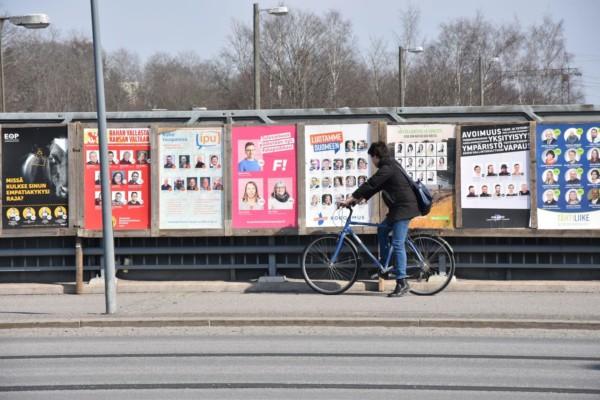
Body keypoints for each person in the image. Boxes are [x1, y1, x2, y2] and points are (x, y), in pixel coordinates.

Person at [341, 142, 420, 298]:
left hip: (404, 209)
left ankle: (402, 282)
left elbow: (372, 183)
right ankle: (386, 265)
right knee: (382, 229)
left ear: (376, 156)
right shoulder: (389, 166)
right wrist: (358, 199)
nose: (372, 161)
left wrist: (352, 196)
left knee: (398, 243)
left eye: (371, 158)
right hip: (398, 208)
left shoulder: (388, 167)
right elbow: (376, 187)